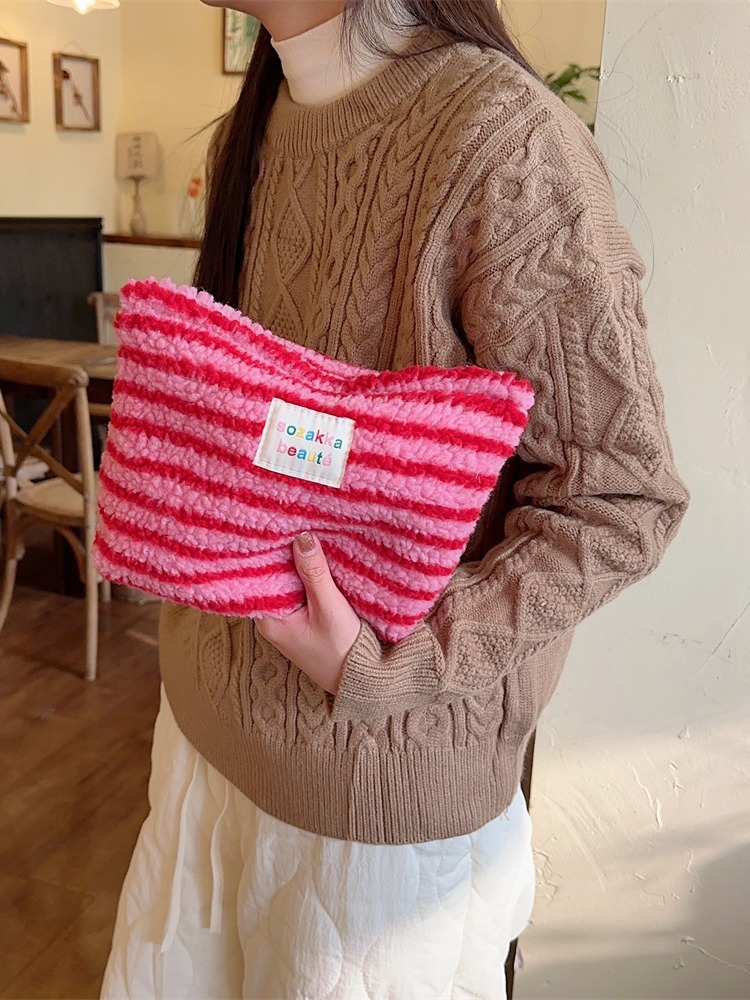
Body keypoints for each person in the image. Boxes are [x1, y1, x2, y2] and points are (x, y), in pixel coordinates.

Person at [101, 2, 690, 998]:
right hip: (200, 748)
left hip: (372, 822)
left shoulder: (504, 143)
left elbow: (622, 499)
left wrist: (394, 665)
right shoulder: (268, 111)